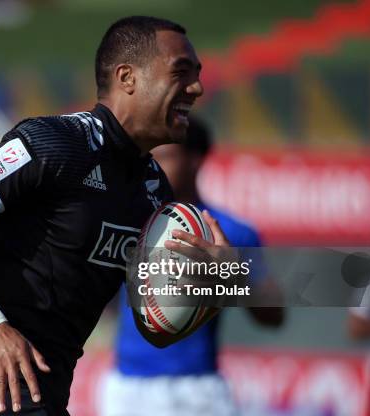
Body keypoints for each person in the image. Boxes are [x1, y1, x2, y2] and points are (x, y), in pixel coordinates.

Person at [0, 16, 232, 416]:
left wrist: (218, 286)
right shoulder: (56, 143)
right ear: (127, 77)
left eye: (197, 75)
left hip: (45, 393)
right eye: (181, 73)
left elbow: (154, 325)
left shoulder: (153, 188)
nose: (196, 89)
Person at [101, 117, 284, 416]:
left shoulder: (230, 232)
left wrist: (232, 276)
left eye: (167, 156)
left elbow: (274, 316)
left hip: (197, 390)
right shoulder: (130, 223)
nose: (155, 166)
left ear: (195, 160)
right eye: (152, 157)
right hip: (126, 387)